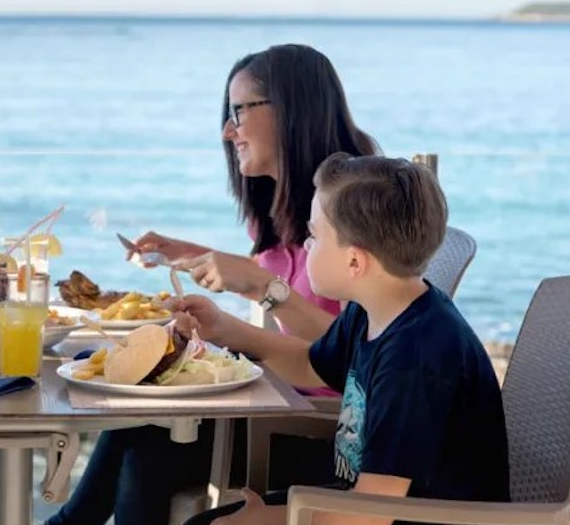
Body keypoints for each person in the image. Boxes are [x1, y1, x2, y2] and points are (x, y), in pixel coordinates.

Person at [47, 44, 378, 525]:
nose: (228, 131)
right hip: (280, 398)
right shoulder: (283, 205)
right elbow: (291, 296)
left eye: (240, 111)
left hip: (315, 427)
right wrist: (195, 257)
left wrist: (261, 288)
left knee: (145, 443)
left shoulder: (353, 206)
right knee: (136, 418)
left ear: (291, 109)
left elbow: (358, 353)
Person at [176, 153, 509, 525]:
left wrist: (269, 521)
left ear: (354, 262)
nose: (305, 246)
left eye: (315, 235)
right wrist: (222, 329)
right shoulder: (375, 308)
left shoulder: (414, 357)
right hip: (362, 502)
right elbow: (309, 365)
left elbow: (371, 515)